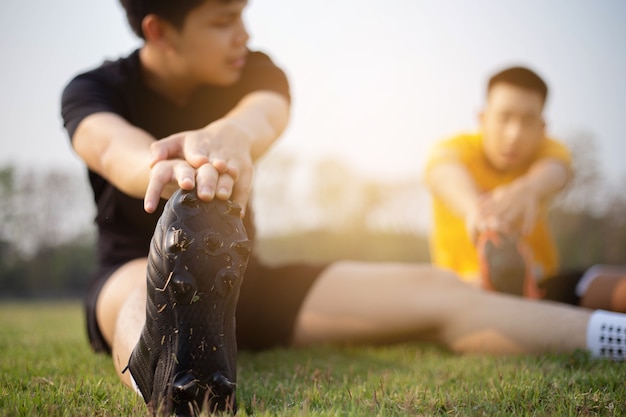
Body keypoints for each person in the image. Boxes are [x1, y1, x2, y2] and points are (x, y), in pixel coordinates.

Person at [61, 2, 626, 415]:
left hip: (247, 282)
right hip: (130, 269)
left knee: (442, 289)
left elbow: (262, 115)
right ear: (161, 31)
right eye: (223, 20)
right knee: (145, 297)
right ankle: (172, 393)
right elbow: (112, 147)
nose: (244, 32)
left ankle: (610, 334)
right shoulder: (92, 88)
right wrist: (175, 168)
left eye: (243, 15)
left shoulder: (256, 70)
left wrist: (229, 135)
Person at [424, 66, 626, 311]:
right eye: (504, 117)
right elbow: (443, 171)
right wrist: (474, 210)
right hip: (463, 290)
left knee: (612, 286)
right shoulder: (456, 147)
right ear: (482, 119)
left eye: (528, 121)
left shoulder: (546, 150)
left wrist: (527, 189)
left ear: (542, 127)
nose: (514, 134)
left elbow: (557, 170)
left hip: (542, 286)